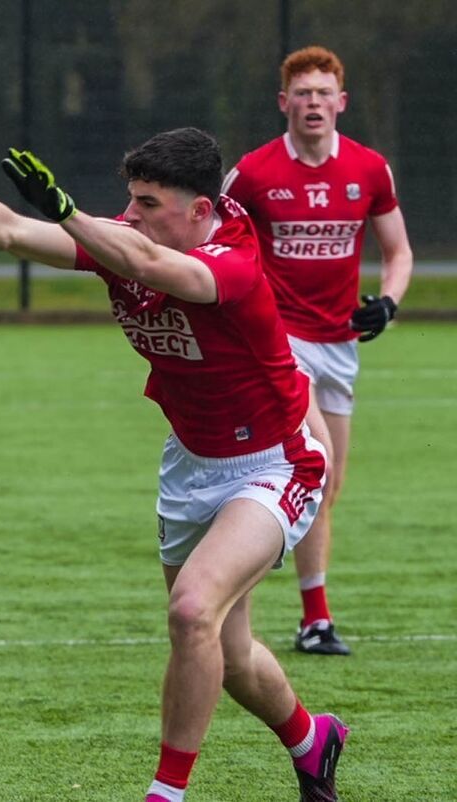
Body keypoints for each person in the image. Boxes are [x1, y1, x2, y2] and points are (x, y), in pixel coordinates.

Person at [0, 106, 346, 801]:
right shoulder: (128, 237)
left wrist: (71, 213)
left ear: (201, 210)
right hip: (191, 465)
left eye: (148, 204)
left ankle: (164, 794)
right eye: (130, 201)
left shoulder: (233, 265)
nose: (130, 216)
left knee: (191, 612)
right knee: (229, 656)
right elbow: (8, 230)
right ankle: (310, 740)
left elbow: (147, 262)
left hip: (275, 463)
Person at [222, 45, 413, 656]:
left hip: (340, 345)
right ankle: (301, 611)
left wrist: (387, 301)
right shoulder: (254, 173)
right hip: (282, 342)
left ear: (341, 103)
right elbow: (215, 235)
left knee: (328, 488)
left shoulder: (369, 169)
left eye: (322, 93)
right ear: (284, 103)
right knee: (317, 463)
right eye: (301, 93)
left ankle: (308, 616)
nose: (313, 103)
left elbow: (400, 252)